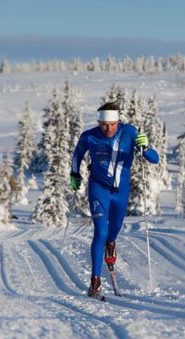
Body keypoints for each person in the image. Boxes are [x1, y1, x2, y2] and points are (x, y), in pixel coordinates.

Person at [70, 102, 159, 299]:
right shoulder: (89, 136)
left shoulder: (129, 132)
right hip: (98, 190)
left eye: (112, 124)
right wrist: (74, 174)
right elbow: (77, 155)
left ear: (118, 121)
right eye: (104, 125)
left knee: (114, 229)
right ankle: (95, 282)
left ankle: (111, 243)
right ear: (99, 122)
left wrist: (146, 147)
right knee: (100, 231)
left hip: (121, 193)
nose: (108, 129)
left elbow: (154, 159)